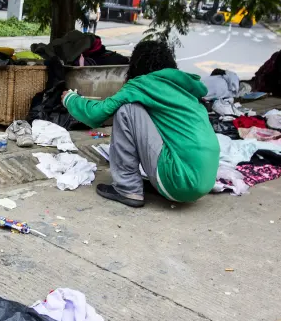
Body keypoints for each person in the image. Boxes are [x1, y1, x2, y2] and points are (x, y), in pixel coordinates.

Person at [62, 39, 220, 208]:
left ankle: (127, 188)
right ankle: (155, 181)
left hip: (178, 180)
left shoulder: (142, 84)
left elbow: (95, 115)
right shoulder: (185, 89)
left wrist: (70, 99)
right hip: (204, 181)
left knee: (127, 110)